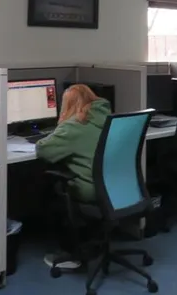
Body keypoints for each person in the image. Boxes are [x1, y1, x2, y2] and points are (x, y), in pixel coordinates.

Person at [35, 84, 111, 270]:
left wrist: (55, 131)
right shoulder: (110, 120)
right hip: (115, 186)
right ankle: (91, 237)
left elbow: (44, 150)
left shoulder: (74, 126)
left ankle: (71, 252)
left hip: (92, 189)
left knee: (49, 188)